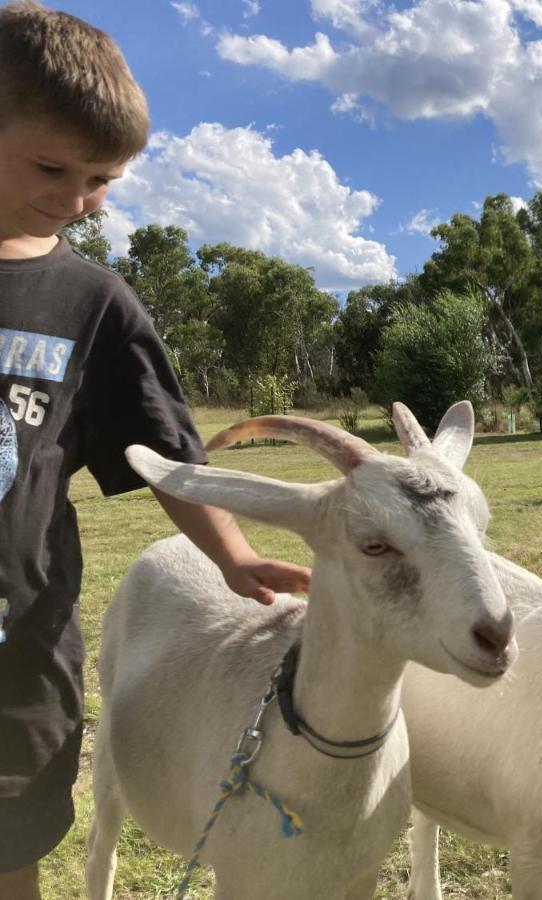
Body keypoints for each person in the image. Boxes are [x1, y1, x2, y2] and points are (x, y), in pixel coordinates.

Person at [0, 4, 311, 896]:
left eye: (102, 179)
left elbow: (163, 452)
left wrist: (235, 554)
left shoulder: (92, 304)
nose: (74, 199)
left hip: (15, 651)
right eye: (52, 166)